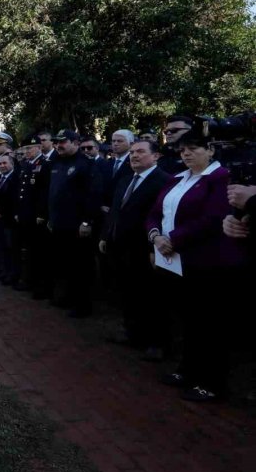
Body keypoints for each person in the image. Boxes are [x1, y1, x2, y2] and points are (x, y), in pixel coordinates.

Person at [146, 132, 247, 402]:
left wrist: (174, 239)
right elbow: (156, 212)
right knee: (189, 320)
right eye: (182, 151)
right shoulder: (177, 178)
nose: (186, 154)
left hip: (210, 263)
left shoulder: (220, 178)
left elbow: (212, 219)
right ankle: (187, 370)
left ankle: (212, 382)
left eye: (193, 149)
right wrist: (156, 236)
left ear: (210, 150)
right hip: (178, 262)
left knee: (210, 324)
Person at [99, 140, 171, 357]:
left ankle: (157, 343)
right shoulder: (125, 179)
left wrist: (153, 248)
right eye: (132, 152)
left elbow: (162, 217)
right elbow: (114, 211)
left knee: (152, 297)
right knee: (129, 293)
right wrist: (105, 234)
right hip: (120, 248)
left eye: (141, 152)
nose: (134, 156)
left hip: (145, 249)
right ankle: (133, 333)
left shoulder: (164, 181)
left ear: (156, 156)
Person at [48, 129, 103, 318]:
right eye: (56, 142)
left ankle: (82, 305)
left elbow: (93, 194)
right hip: (59, 223)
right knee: (64, 264)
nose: (58, 145)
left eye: (63, 142)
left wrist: (87, 221)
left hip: (78, 225)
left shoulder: (86, 164)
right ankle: (68, 298)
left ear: (75, 143)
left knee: (81, 267)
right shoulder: (56, 163)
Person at [15, 135, 51, 295]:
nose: (26, 151)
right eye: (24, 149)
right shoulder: (26, 165)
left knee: (39, 252)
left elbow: (45, 192)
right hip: (25, 214)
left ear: (38, 148)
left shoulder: (44, 165)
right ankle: (30, 280)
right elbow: (22, 192)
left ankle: (42, 286)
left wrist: (42, 213)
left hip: (37, 216)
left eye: (29, 148)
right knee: (28, 249)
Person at [0, 154, 20, 285]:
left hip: (8, 220)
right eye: (0, 164)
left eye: (4, 163)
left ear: (11, 163)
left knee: (10, 248)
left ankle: (12, 274)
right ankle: (2, 271)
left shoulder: (16, 179)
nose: (2, 166)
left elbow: (15, 200)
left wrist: (1, 212)